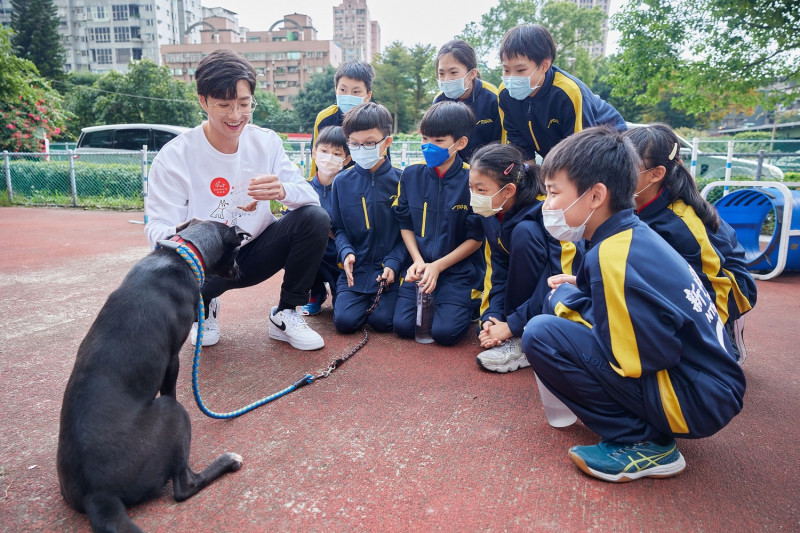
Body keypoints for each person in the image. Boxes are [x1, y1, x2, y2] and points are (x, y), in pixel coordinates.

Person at [521, 126, 746, 483]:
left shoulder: (613, 256)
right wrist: (583, 290)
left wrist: (567, 301)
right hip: (707, 385)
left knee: (541, 333)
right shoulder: (630, 235)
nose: (546, 205)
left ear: (595, 195)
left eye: (552, 193)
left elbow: (639, 359)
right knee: (557, 318)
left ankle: (644, 442)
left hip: (697, 399)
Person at [145, 49, 330, 351]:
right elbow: (157, 229)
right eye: (224, 105)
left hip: (256, 251)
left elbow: (312, 198)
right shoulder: (175, 157)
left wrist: (282, 190)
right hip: (207, 262)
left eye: (244, 104)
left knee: (314, 218)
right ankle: (203, 307)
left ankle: (286, 313)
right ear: (203, 101)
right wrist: (192, 239)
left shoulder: (265, 141)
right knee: (179, 264)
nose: (236, 116)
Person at [624, 124, 756, 363]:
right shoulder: (631, 202)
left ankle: (727, 334)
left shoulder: (682, 223)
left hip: (725, 288)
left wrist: (711, 335)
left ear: (656, 174)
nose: (615, 171)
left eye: (627, 165)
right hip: (678, 276)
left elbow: (716, 284)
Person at [469, 143, 582, 372]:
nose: (474, 197)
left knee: (524, 233)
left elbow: (559, 280)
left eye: (481, 190)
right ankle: (516, 333)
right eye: (471, 188)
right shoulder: (492, 213)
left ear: (509, 190)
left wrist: (512, 325)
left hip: (565, 299)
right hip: (523, 306)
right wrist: (492, 318)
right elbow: (496, 271)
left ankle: (524, 338)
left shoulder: (548, 209)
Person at [393, 101, 485, 345]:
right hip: (420, 268)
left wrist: (439, 266)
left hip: (457, 271)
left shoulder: (472, 179)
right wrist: (419, 261)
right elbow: (405, 224)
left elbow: (476, 238)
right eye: (424, 139)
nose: (428, 147)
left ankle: (470, 302)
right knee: (402, 327)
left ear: (460, 143)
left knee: (445, 334)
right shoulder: (411, 175)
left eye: (438, 141)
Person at [330, 102, 407, 333]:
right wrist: (346, 252)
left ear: (387, 142)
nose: (361, 149)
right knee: (344, 323)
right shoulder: (341, 182)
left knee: (382, 322)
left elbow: (408, 232)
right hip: (356, 271)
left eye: (370, 143)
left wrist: (394, 263)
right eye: (354, 144)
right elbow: (339, 229)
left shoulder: (403, 182)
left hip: (389, 272)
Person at [498, 24, 626, 162]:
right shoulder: (505, 93)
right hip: (560, 153)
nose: (511, 77)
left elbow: (579, 150)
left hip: (607, 148)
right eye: (506, 70)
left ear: (544, 66)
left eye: (520, 70)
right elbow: (518, 143)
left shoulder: (568, 92)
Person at [301, 126, 351, 316]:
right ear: (314, 152)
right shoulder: (303, 188)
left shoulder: (350, 190)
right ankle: (316, 292)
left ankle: (340, 289)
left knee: (343, 313)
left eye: (336, 153)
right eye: (324, 151)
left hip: (340, 255)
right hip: (313, 253)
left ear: (346, 160)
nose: (329, 157)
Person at [433, 40, 503, 162]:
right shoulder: (439, 101)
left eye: (453, 72)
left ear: (472, 73)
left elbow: (501, 143)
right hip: (453, 170)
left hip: (487, 169)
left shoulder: (493, 98)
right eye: (441, 73)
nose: (446, 79)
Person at [309, 60, 374, 178]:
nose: (348, 96)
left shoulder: (375, 121)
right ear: (336, 89)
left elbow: (384, 161)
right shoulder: (324, 118)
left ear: (367, 96)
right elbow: (316, 157)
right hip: (329, 185)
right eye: (343, 90)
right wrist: (314, 186)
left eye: (356, 92)